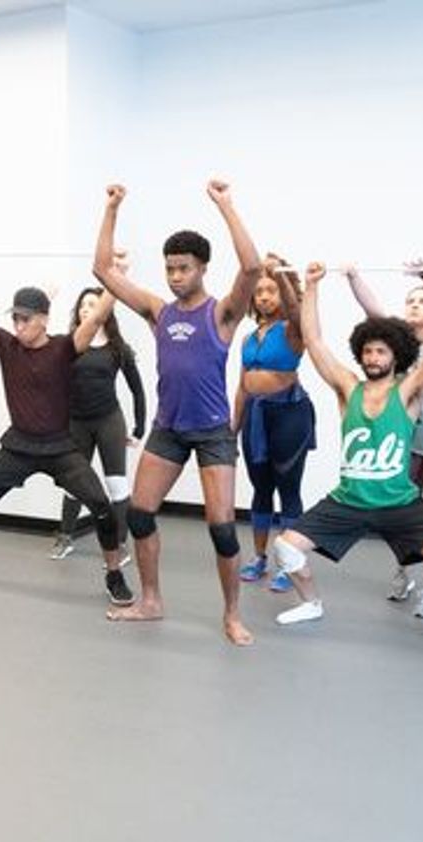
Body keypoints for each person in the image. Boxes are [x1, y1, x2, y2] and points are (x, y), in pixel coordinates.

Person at [267, 261, 423, 648]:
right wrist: (311, 287)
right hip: (349, 500)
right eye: (368, 351)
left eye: (381, 351)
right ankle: (311, 604)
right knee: (286, 549)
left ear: (396, 355)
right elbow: (313, 340)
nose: (373, 357)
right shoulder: (348, 388)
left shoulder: (410, 390)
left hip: (399, 502)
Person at [91, 179, 259, 643]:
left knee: (223, 529)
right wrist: (112, 208)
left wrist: (226, 205)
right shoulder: (157, 311)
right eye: (169, 269)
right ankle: (150, 600)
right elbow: (102, 269)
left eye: (183, 268)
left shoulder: (222, 314)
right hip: (168, 429)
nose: (174, 276)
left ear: (202, 268)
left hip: (212, 433)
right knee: (140, 516)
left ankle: (231, 615)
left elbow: (252, 267)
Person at [0, 249, 135, 608]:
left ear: (44, 319)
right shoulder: (7, 346)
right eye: (15, 318)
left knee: (102, 506)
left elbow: (99, 315)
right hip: (18, 447)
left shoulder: (64, 348)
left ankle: (113, 574)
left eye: (25, 319)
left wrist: (117, 275)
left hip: (61, 448)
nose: (18, 325)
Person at [344, 261, 423, 619]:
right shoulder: (397, 347)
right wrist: (355, 276)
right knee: (401, 513)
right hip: (410, 444)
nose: (415, 305)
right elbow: (372, 311)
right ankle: (406, 572)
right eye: (410, 301)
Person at [48, 275, 147, 563]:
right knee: (73, 483)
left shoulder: (118, 348)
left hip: (108, 421)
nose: (85, 309)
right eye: (82, 305)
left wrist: (139, 428)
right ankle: (65, 537)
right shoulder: (69, 345)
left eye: (92, 304)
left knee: (116, 485)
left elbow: (137, 390)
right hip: (76, 424)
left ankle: (119, 543)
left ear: (104, 309)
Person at [233, 253, 315, 593]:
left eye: (272, 290)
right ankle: (261, 557)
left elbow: (297, 310)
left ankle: (290, 562)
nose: (265, 296)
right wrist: (231, 429)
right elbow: (242, 385)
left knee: (289, 490)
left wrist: (282, 273)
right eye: (259, 291)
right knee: (260, 489)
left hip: (289, 416)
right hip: (255, 417)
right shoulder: (249, 338)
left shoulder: (293, 330)